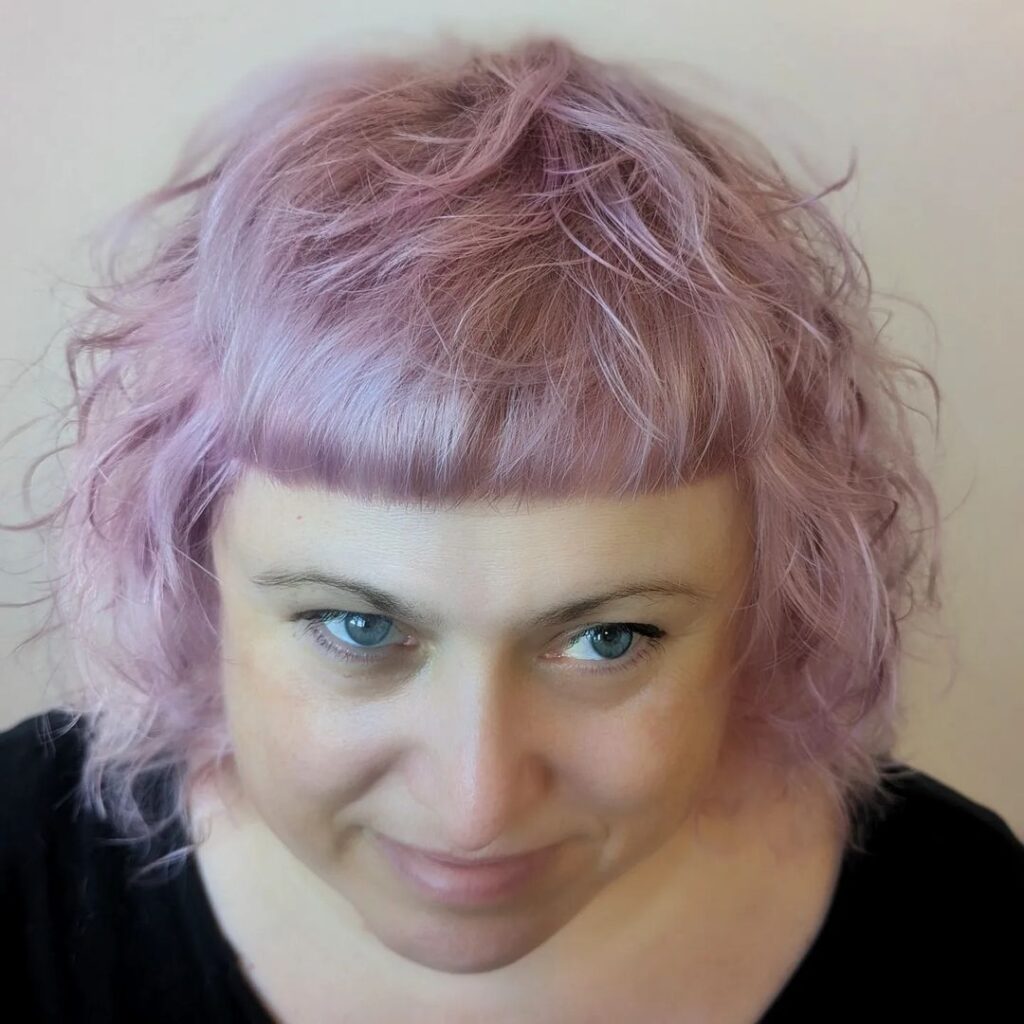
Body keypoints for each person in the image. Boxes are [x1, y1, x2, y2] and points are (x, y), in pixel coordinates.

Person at [1, 33, 1021, 1024]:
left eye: (606, 638)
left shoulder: (957, 920)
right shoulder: (21, 862)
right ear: (193, 573)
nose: (476, 801)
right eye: (356, 628)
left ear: (765, 598)